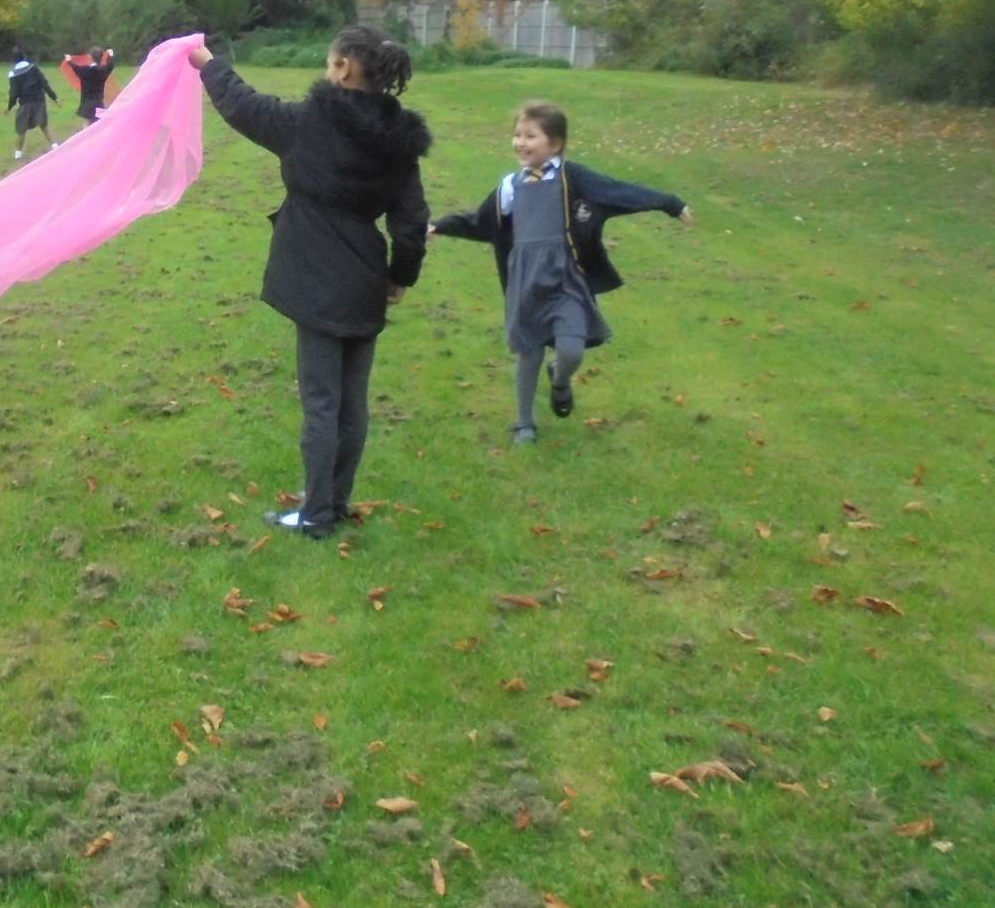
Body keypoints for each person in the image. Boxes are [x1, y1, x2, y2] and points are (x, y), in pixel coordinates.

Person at [188, 26, 430, 540]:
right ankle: (333, 503)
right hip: (365, 280)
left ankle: (317, 514)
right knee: (352, 403)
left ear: (343, 67)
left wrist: (209, 64)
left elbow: (245, 107)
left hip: (318, 281)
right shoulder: (398, 144)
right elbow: (411, 221)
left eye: (329, 61)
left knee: (322, 404)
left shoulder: (309, 125)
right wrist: (400, 276)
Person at [429, 100, 694, 445]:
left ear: (555, 144)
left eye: (531, 136)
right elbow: (481, 221)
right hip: (525, 281)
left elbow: (619, 191)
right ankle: (524, 422)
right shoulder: (510, 186)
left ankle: (560, 379)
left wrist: (670, 203)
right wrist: (440, 226)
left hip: (567, 278)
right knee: (530, 352)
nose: (521, 143)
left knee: (571, 350)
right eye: (517, 135)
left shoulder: (574, 178)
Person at [6, 46, 59, 159]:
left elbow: (13, 94)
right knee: (44, 125)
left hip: (25, 103)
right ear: (23, 56)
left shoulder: (13, 74)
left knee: (21, 130)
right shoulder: (33, 68)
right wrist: (54, 98)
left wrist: (9, 107)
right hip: (39, 101)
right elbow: (44, 83)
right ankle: (55, 146)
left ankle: (18, 154)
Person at [62, 47, 118, 127]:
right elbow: (111, 65)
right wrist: (111, 55)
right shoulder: (103, 70)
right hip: (99, 101)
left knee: (88, 125)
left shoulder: (85, 70)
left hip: (87, 102)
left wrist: (69, 60)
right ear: (101, 57)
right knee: (98, 125)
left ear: (90, 57)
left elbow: (75, 67)